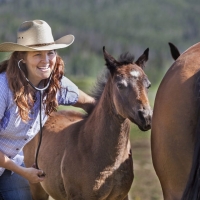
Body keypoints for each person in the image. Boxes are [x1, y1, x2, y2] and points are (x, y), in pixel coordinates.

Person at [0, 19, 95, 200]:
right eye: (37, 54)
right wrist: (22, 171)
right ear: (22, 57)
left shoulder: (55, 86)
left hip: (10, 163)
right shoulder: (2, 88)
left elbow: (93, 105)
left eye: (50, 53)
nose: (46, 61)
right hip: (13, 165)